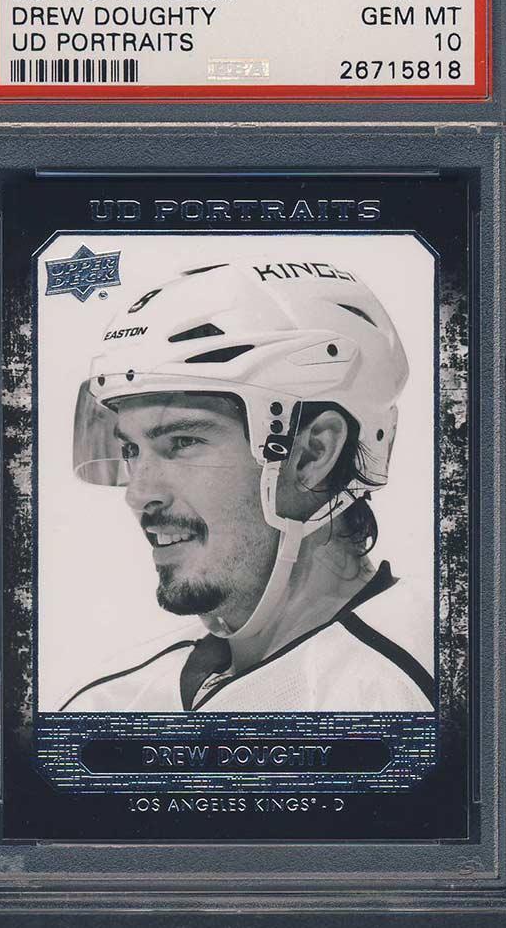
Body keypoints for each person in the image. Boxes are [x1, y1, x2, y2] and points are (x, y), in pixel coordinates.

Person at [61, 256, 434, 712]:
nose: (139, 495)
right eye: (131, 450)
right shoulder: (111, 702)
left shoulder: (430, 694)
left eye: (183, 442)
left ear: (313, 454)